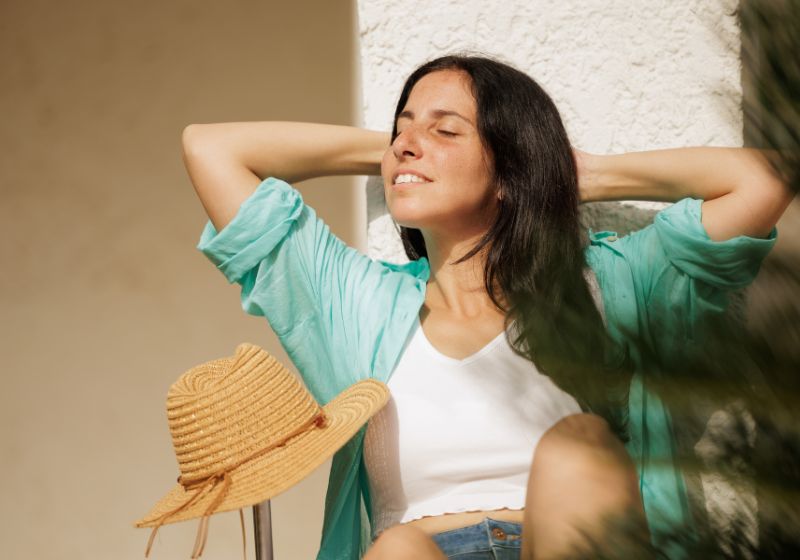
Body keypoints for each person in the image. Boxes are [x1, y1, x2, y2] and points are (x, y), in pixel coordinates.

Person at [184, 54, 793, 560]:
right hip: (421, 553)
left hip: (571, 546)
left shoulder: (612, 284)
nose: (407, 144)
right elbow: (211, 148)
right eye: (402, 129)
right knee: (397, 550)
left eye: (446, 131)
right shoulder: (358, 306)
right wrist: (409, 155)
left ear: (510, 169)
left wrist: (577, 171)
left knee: (578, 443)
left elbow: (763, 180)